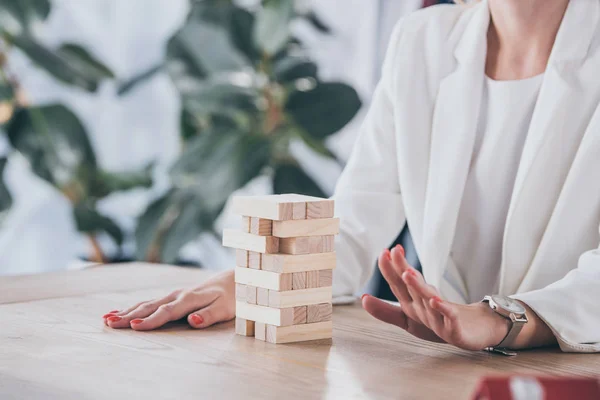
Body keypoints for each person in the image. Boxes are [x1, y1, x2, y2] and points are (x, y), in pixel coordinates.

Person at [103, 0, 600, 354]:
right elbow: (360, 215)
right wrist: (255, 283)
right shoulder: (423, 40)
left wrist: (503, 320)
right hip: (452, 373)